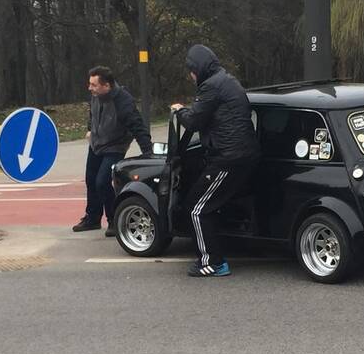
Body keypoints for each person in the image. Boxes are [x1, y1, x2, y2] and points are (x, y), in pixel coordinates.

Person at [170, 45, 260, 277]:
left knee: (195, 208)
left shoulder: (210, 86)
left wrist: (179, 111)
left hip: (228, 158)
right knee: (213, 203)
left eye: (192, 71)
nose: (191, 76)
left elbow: (194, 122)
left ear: (198, 68)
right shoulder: (228, 80)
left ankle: (212, 262)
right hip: (245, 155)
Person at [73, 66, 153, 236]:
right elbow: (93, 115)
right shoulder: (95, 96)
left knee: (102, 182)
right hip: (96, 144)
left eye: (94, 85)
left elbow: (138, 127)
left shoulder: (123, 101)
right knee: (91, 180)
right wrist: (90, 129)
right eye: (90, 84)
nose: (90, 88)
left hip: (115, 146)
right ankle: (93, 218)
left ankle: (114, 220)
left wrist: (148, 152)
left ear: (106, 86)